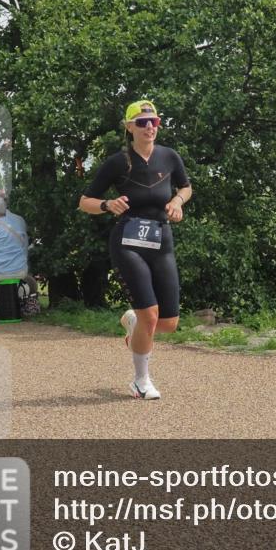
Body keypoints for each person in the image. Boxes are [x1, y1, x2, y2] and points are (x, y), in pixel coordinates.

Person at [79, 100, 192, 400]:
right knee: (151, 316)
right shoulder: (118, 162)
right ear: (129, 127)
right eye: (142, 122)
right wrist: (107, 205)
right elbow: (85, 201)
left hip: (161, 242)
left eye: (154, 121)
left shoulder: (170, 157)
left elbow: (186, 187)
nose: (149, 127)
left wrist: (178, 202)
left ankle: (132, 321)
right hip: (128, 242)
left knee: (168, 323)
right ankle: (140, 381)